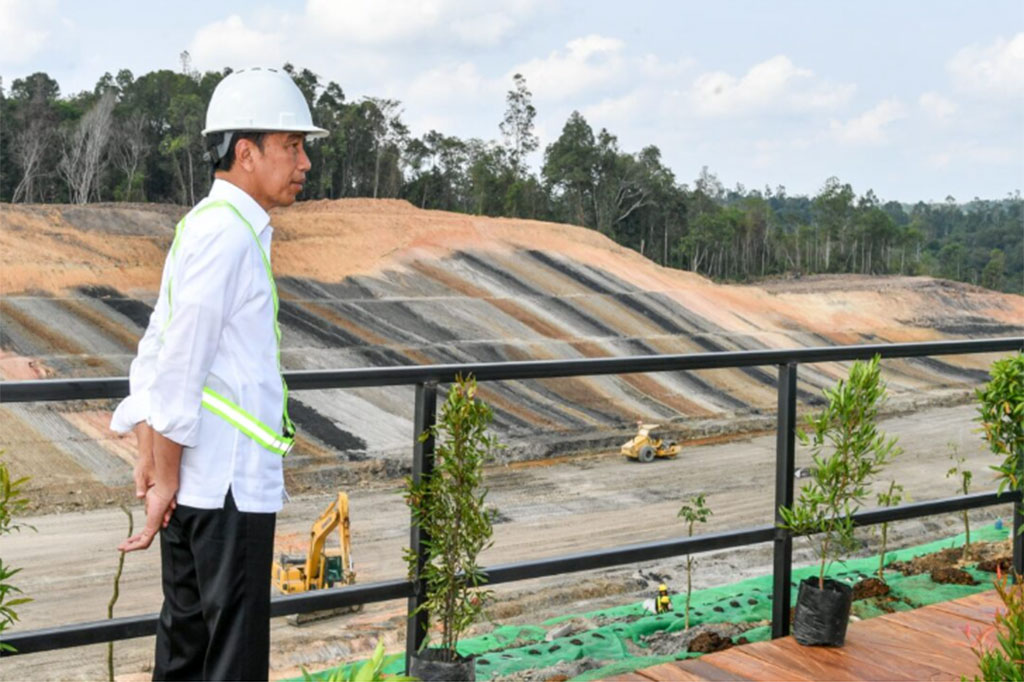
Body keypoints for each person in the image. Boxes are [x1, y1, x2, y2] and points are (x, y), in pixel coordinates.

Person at [110, 66, 327, 681]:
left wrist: (155, 463)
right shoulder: (228, 237)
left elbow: (156, 349)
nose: (304, 162)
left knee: (186, 649)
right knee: (231, 658)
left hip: (197, 485)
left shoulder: (208, 226)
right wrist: (162, 478)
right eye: (292, 145)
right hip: (225, 486)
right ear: (245, 152)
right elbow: (179, 361)